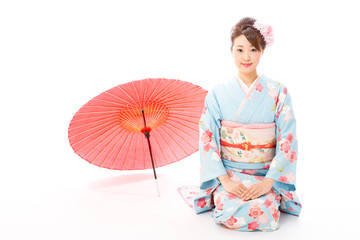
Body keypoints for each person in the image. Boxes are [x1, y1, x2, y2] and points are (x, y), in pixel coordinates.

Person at [178, 17, 302, 232]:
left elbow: (287, 140)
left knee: (263, 216)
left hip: (266, 174)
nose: (246, 57)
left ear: (262, 51)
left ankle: (269, 197)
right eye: (240, 50)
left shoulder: (278, 92)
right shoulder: (217, 93)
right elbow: (208, 138)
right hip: (230, 173)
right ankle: (224, 193)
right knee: (231, 211)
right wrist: (225, 181)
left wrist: (267, 183)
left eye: (253, 49)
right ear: (231, 51)